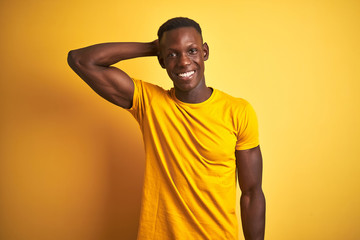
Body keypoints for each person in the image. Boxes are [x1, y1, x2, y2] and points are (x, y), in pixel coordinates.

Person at [68, 17, 265, 240]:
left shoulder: (238, 111)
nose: (183, 62)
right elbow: (80, 60)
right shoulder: (149, 102)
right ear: (161, 60)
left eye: (192, 51)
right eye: (172, 54)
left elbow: (251, 193)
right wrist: (152, 48)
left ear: (205, 52)